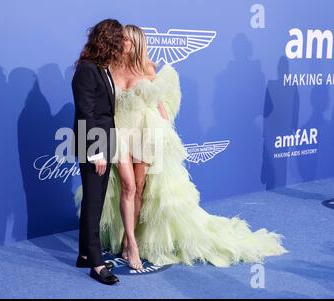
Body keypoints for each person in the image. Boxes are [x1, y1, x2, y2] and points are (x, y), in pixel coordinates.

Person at [76, 25, 287, 270]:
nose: (122, 43)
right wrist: (96, 142)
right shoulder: (108, 67)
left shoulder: (147, 67)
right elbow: (97, 104)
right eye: (120, 39)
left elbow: (158, 102)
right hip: (118, 132)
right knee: (127, 184)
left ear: (135, 43)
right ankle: (132, 244)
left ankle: (127, 236)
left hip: (145, 132)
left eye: (126, 39)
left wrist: (165, 130)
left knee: (139, 187)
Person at [72, 19, 124, 284]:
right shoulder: (86, 69)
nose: (124, 45)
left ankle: (83, 254)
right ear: (109, 41)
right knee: (94, 204)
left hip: (104, 142)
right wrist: (97, 152)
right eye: (120, 41)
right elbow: (86, 113)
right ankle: (96, 263)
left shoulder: (102, 68)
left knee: (96, 200)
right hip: (94, 146)